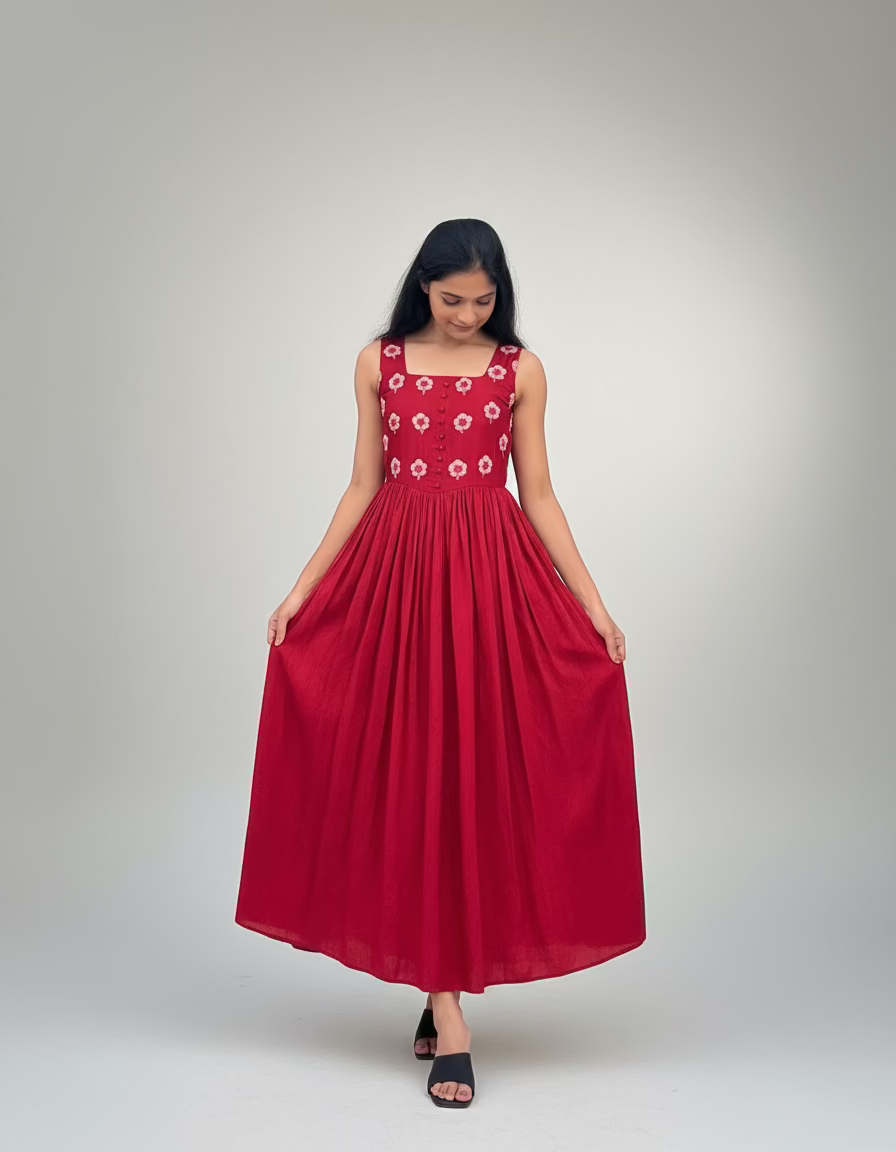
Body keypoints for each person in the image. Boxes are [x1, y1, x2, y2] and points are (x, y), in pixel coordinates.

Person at [235, 218, 647, 1108]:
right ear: (423, 286)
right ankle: (446, 1006)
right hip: (395, 582)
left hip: (490, 585)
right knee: (411, 777)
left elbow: (536, 493)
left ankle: (440, 992)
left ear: (502, 294)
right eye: (453, 299)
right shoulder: (376, 362)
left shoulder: (520, 371)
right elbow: (363, 483)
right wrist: (304, 590)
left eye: (484, 301)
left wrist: (594, 604)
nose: (468, 315)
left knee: (475, 780)